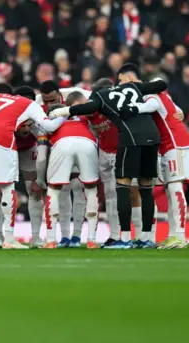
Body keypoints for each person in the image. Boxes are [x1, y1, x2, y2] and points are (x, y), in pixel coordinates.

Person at [50, 63, 168, 249]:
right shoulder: (133, 86)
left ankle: (126, 238)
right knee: (146, 188)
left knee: (122, 186)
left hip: (130, 138)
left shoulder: (100, 96)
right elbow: (161, 85)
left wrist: (63, 111)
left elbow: (86, 108)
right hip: (152, 137)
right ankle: (147, 239)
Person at [0, 85, 67, 249]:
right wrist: (66, 113)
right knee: (4, 188)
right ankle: (6, 239)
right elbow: (50, 126)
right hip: (5, 141)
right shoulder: (31, 105)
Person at [140, 80, 189, 249]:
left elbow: (148, 108)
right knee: (171, 190)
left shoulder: (152, 97)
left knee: (174, 187)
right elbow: (178, 111)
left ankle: (179, 236)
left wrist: (129, 107)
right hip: (175, 143)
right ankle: (174, 235)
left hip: (174, 143)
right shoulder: (166, 96)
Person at [35, 80, 91, 248]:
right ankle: (65, 236)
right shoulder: (37, 103)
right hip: (57, 145)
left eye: (52, 100)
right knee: (64, 192)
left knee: (78, 189)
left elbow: (94, 104)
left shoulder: (76, 94)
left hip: (78, 140)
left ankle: (76, 235)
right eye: (46, 102)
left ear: (60, 95)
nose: (49, 104)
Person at [43, 93, 100, 249]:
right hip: (87, 142)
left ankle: (50, 240)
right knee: (90, 189)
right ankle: (91, 240)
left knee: (54, 191)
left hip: (62, 143)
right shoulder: (84, 116)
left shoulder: (51, 118)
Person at [88, 78, 121, 246]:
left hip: (120, 152)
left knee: (121, 194)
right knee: (109, 194)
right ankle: (114, 235)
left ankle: (131, 235)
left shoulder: (119, 105)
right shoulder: (91, 108)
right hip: (104, 152)